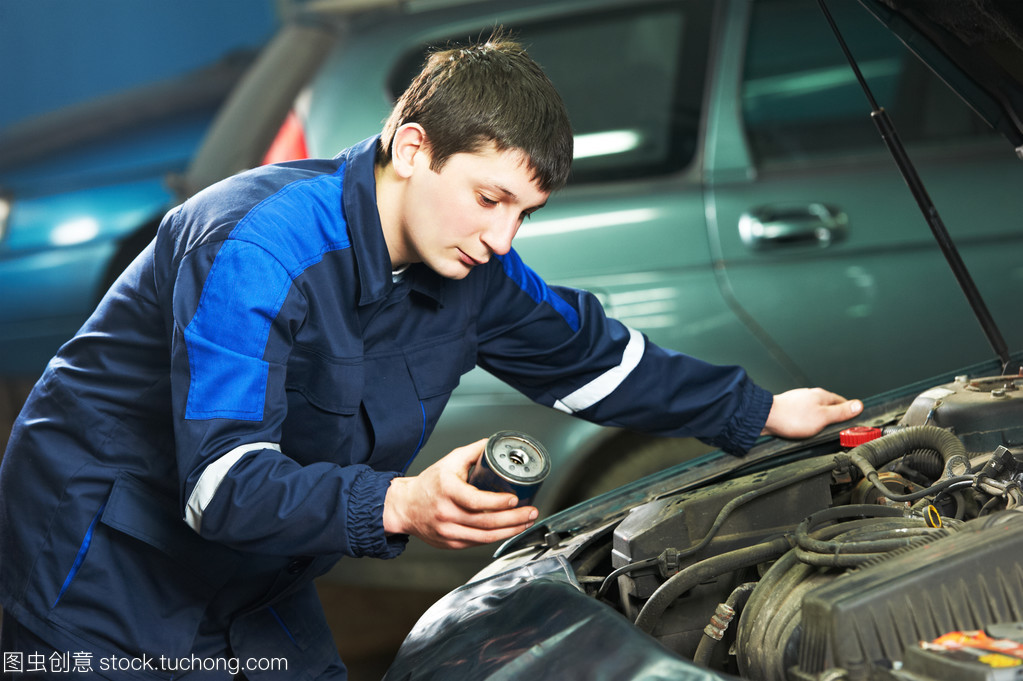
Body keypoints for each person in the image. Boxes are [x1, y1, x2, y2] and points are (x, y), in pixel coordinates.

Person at [0, 35, 861, 679]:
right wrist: (403, 500)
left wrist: (760, 411)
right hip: (101, 567)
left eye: (523, 213)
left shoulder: (474, 270)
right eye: (489, 198)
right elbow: (221, 485)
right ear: (412, 150)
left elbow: (601, 360)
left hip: (259, 571)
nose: (501, 238)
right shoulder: (254, 244)